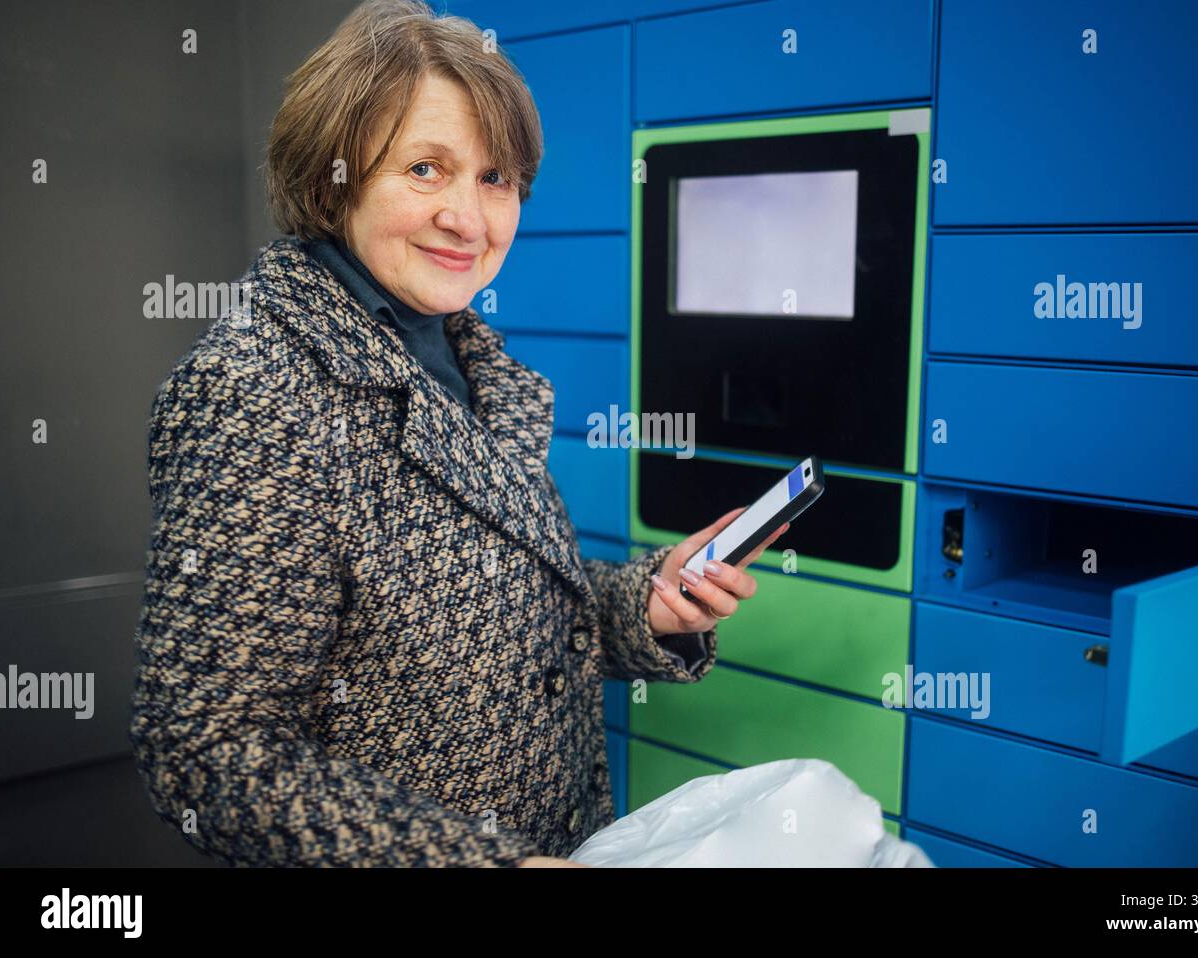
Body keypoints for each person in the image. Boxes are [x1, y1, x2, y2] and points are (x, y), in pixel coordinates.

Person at [130, 0, 787, 867]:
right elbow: (206, 752)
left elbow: (489, 602)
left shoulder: (456, 352)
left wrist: (647, 607)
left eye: (496, 179)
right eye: (426, 169)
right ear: (333, 176)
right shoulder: (255, 392)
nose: (469, 220)